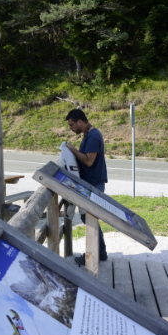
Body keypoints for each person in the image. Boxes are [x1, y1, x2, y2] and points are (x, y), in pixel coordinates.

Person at [64, 109, 108, 266]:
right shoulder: (89, 135)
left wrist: (72, 149)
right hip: (91, 182)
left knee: (88, 218)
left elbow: (89, 161)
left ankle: (96, 253)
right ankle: (100, 252)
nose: (70, 128)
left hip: (93, 183)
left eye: (71, 125)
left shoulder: (93, 136)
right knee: (89, 218)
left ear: (80, 122)